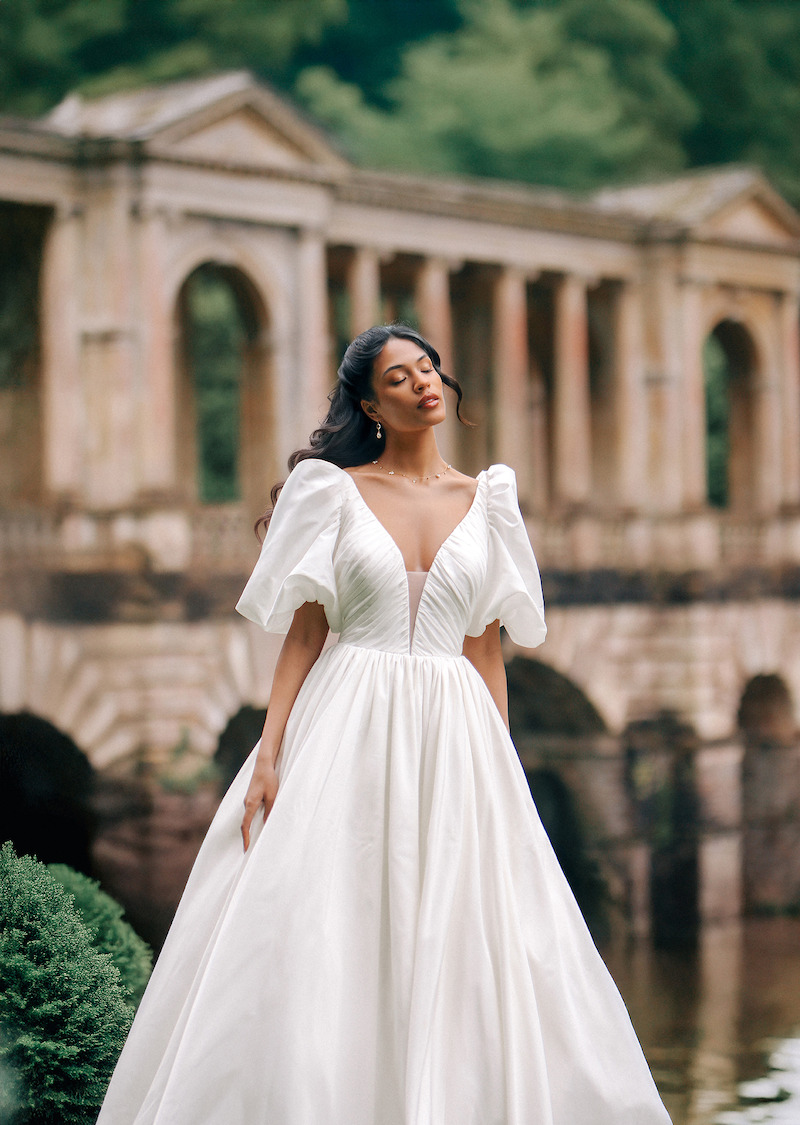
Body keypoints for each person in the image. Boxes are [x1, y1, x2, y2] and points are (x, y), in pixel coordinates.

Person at [97, 324, 672, 1124]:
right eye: (400, 377)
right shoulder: (332, 492)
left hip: (456, 729)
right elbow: (304, 634)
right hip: (347, 721)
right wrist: (270, 755)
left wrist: (501, 767)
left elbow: (486, 647)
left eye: (429, 367)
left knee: (472, 929)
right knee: (327, 917)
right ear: (370, 402)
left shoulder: (490, 498)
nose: (423, 383)